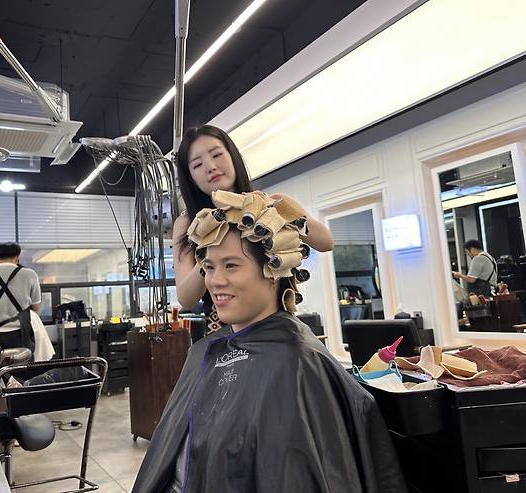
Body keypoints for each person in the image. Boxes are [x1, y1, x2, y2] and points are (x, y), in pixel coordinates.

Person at [133, 191, 406, 493]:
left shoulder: (298, 363)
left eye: (232, 265)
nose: (215, 281)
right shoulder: (203, 352)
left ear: (273, 270)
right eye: (209, 267)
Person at [173, 124, 333, 332]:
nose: (210, 166)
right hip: (224, 331)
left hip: (278, 327)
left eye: (217, 154)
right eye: (197, 165)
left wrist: (275, 210)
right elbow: (186, 298)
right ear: (191, 179)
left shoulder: (273, 204)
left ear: (232, 156)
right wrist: (208, 246)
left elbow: (326, 242)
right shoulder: (187, 224)